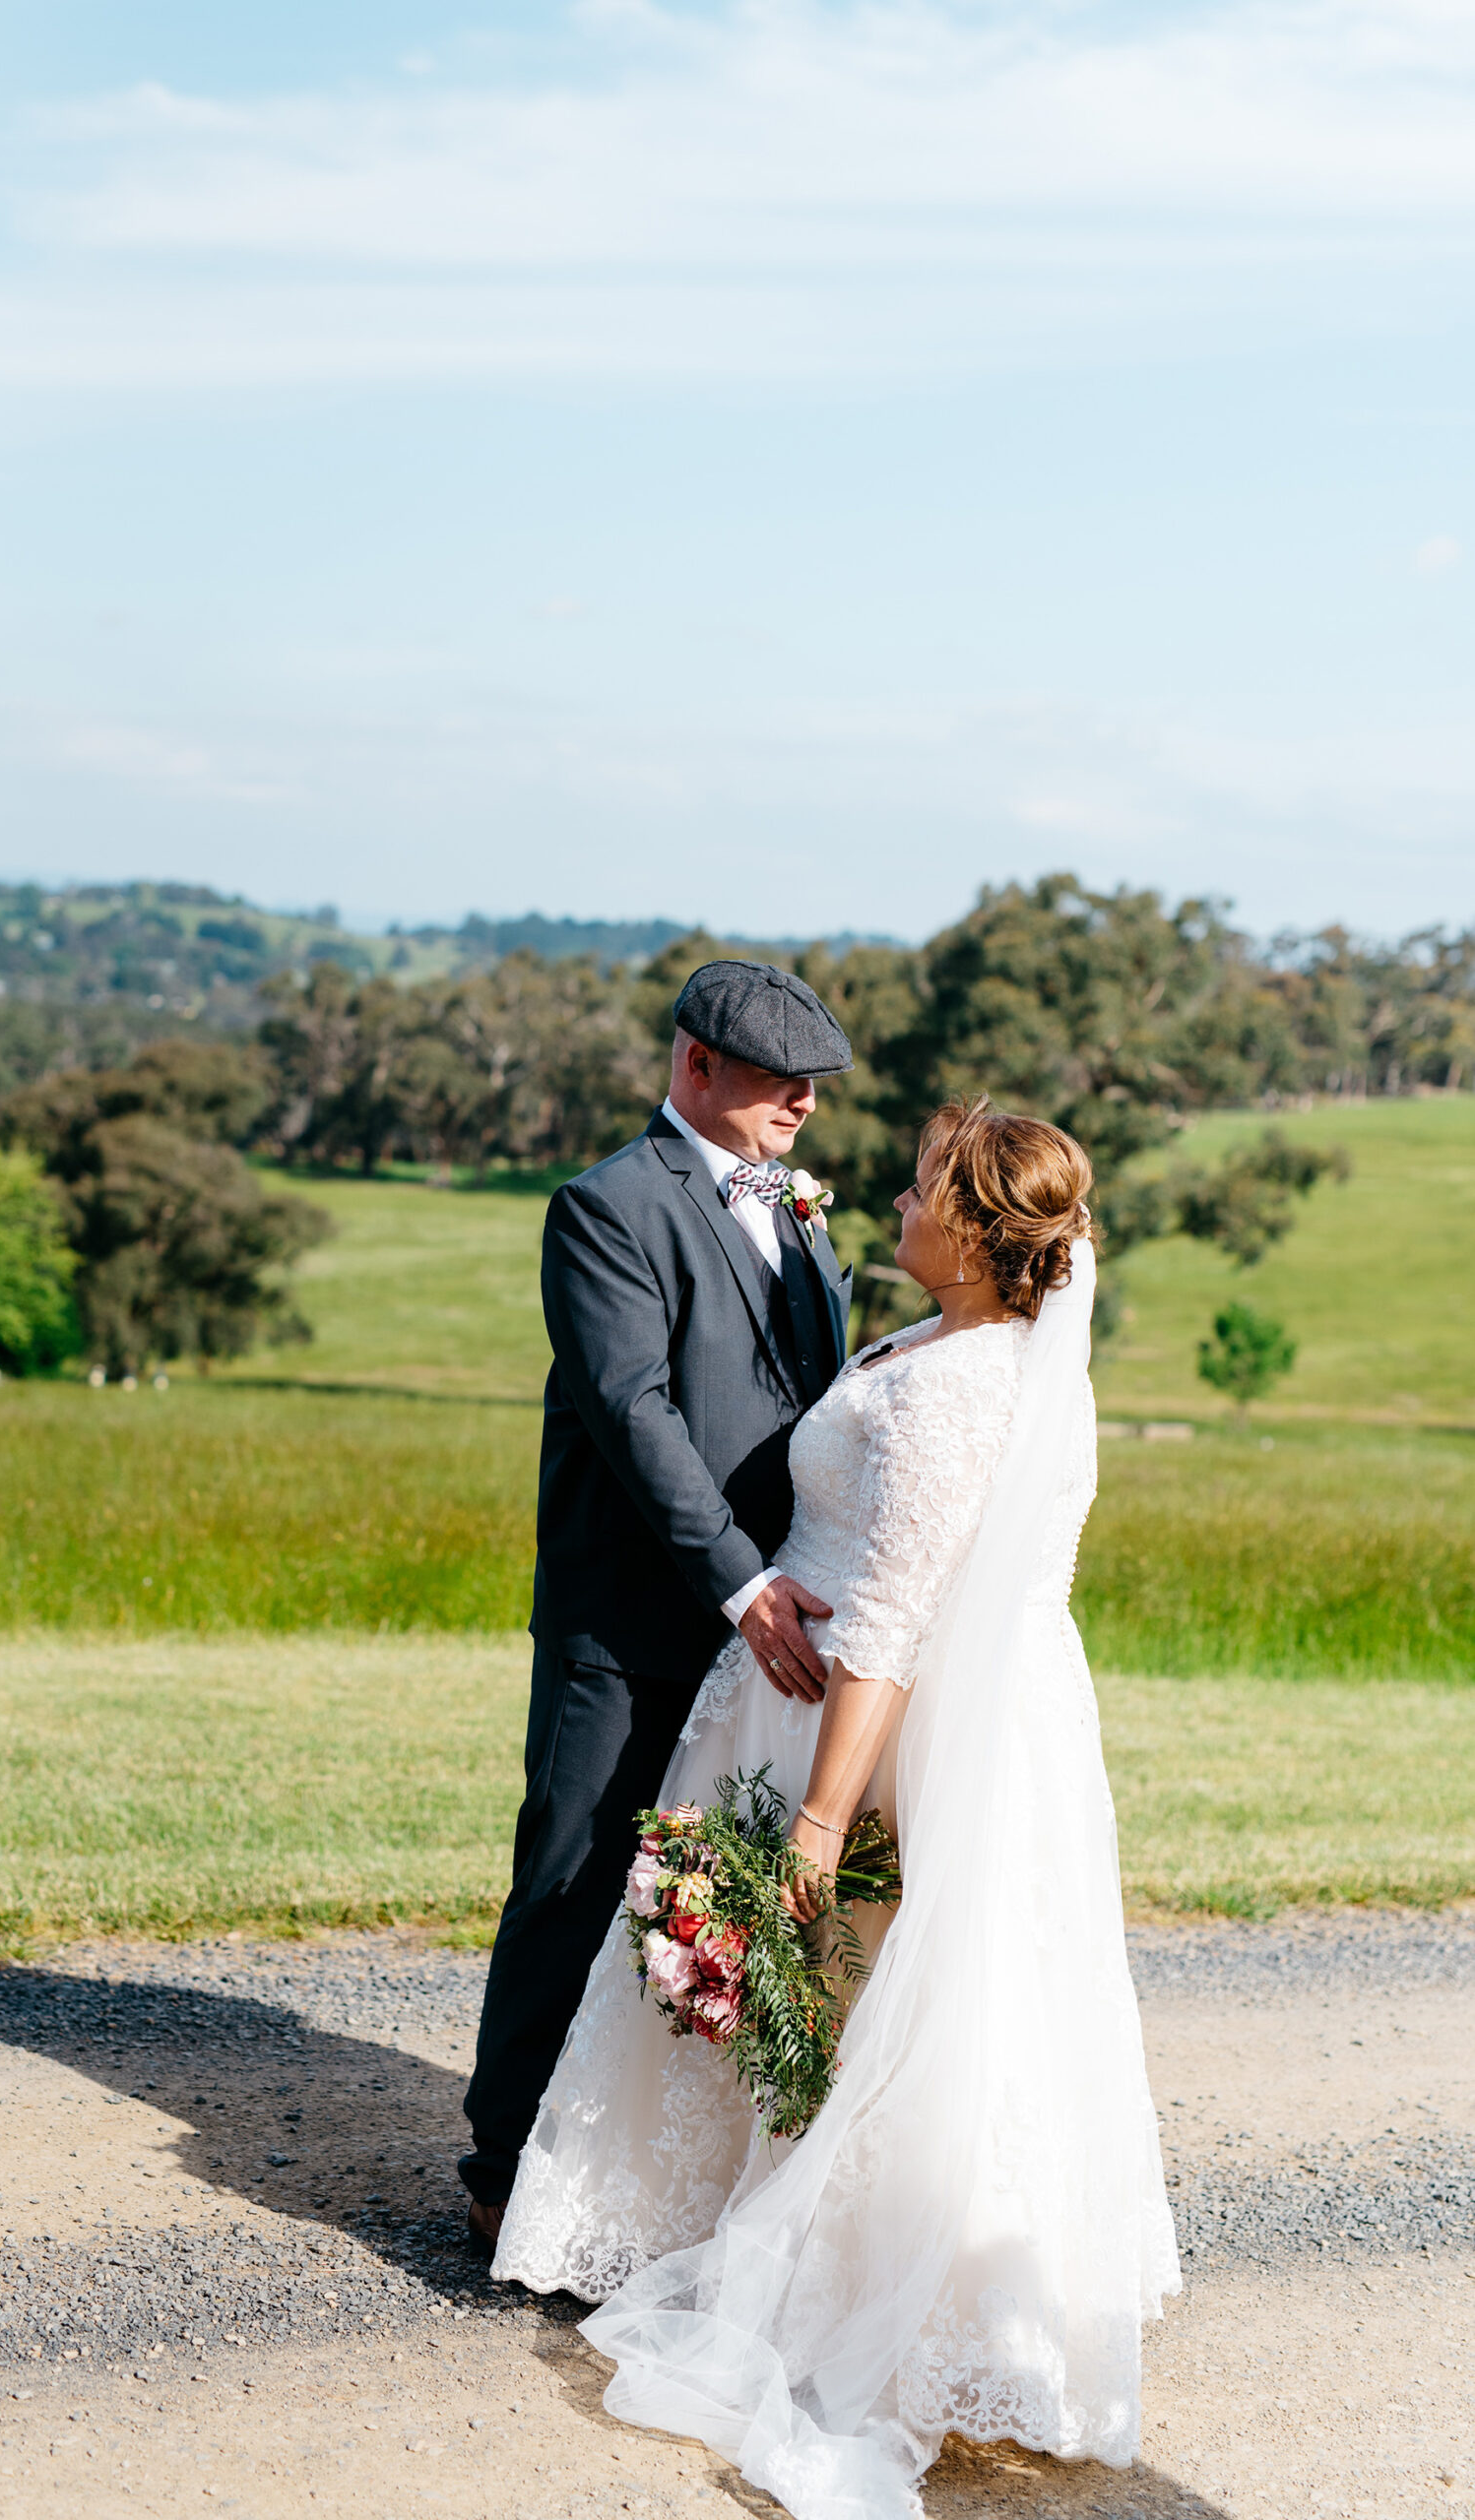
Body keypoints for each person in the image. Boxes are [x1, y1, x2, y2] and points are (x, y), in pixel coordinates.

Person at [493, 1100, 1181, 2520]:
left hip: (866, 1727)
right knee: (808, 1999)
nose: (900, 1198)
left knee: (845, 1987)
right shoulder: (929, 1346)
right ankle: (700, 2219)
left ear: (981, 1236)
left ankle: (870, 2282)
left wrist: (820, 1815)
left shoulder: (961, 1386)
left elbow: (894, 1617)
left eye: (929, 1185)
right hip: (789, 1696)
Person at [458, 959, 856, 2250]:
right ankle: (502, 2161)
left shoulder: (796, 1207)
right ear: (695, 1066)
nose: (802, 1101)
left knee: (715, 1883)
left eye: (811, 1082)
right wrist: (740, 1583)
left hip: (775, 1624)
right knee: (575, 1873)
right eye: (776, 1077)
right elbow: (635, 1414)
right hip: (631, 1619)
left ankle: (651, 2178)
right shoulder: (605, 1208)